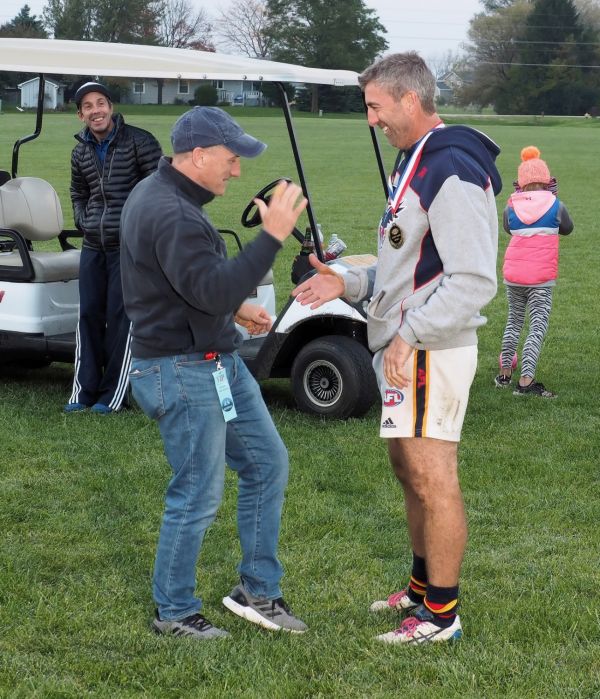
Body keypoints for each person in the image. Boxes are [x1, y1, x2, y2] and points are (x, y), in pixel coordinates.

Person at [293, 52, 502, 644]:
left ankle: (441, 615)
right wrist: (348, 282)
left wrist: (409, 335)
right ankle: (420, 590)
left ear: (411, 100)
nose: (371, 119)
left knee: (433, 477)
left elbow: (473, 280)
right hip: (406, 346)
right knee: (408, 470)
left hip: (430, 348)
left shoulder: (451, 166)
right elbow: (407, 266)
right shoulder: (415, 159)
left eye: (375, 106)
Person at [120, 106, 308, 640]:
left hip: (210, 358)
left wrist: (232, 309)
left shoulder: (166, 196)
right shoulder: (172, 211)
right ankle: (175, 612)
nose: (237, 170)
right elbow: (210, 288)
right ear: (199, 155)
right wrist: (271, 236)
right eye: (231, 159)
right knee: (198, 493)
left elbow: (183, 283)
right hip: (183, 369)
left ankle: (257, 590)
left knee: (266, 464)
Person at [65, 82, 162, 414]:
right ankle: (83, 391)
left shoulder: (140, 141)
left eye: (100, 103)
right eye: (88, 106)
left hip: (129, 247)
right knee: (89, 315)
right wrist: (84, 221)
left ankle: (112, 395)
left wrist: (139, 230)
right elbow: (78, 192)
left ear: (111, 107)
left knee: (122, 318)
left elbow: (160, 189)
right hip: (93, 244)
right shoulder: (80, 152)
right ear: (81, 115)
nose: (96, 110)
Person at [495, 146, 573, 397]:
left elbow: (509, 229)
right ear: (547, 180)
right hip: (540, 278)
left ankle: (504, 374)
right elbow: (568, 228)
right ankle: (526, 380)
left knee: (514, 321)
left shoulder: (511, 206)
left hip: (514, 275)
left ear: (521, 182)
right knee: (536, 326)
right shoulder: (556, 205)